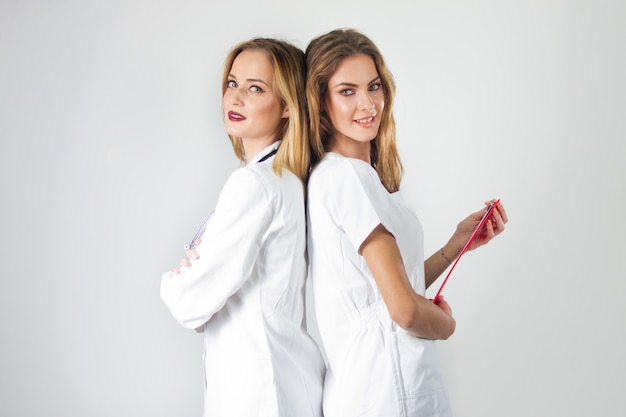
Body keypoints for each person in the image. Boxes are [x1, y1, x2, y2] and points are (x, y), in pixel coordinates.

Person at [304, 28, 508, 417]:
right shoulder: (344, 178)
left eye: (374, 87)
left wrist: (454, 246)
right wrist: (445, 326)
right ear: (321, 102)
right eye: (347, 91)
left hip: (385, 386)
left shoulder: (362, 178)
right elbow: (404, 310)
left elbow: (388, 290)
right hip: (386, 389)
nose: (368, 104)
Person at [161, 38, 324, 417]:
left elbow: (191, 304)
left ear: (287, 107)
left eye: (255, 88)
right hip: (288, 382)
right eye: (232, 84)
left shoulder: (255, 185)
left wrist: (177, 280)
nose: (236, 98)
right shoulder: (287, 180)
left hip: (258, 393)